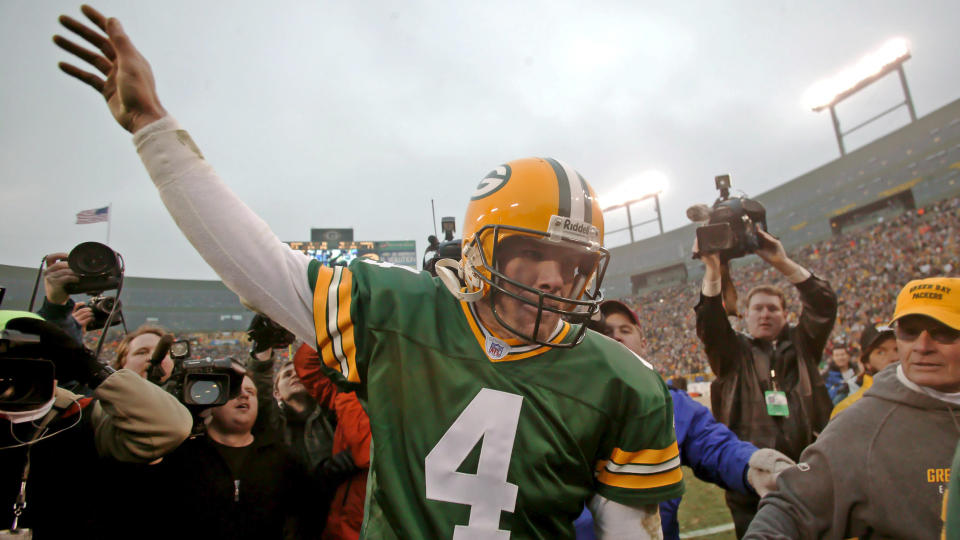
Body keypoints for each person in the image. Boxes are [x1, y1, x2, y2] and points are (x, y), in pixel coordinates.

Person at [55, 7, 683, 537]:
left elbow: (627, 526)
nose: (552, 279)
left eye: (572, 264)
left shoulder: (624, 381)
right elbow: (261, 267)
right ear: (481, 253)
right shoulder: (400, 311)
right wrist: (153, 127)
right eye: (532, 256)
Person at [745, 276, 960, 539]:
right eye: (909, 332)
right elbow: (791, 508)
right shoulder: (862, 424)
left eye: (944, 332)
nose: (922, 347)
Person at [575, 300, 794, 540]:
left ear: (644, 344)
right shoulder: (562, 404)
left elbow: (715, 445)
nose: (616, 337)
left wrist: (755, 465)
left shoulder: (671, 404)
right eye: (606, 332)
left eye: (625, 330)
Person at [0, 310, 192, 537]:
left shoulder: (82, 413)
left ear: (58, 364)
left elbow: (169, 426)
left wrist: (89, 366)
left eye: (35, 362)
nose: (17, 374)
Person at [694, 232, 836, 536]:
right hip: (751, 478)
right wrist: (712, 271)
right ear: (745, 317)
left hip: (810, 471)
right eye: (758, 308)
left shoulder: (804, 344)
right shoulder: (731, 354)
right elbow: (710, 321)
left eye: (773, 308)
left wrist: (782, 263)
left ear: (786, 315)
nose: (765, 314)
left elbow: (823, 305)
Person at [160, 373, 316, 539]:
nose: (244, 395)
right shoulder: (181, 458)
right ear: (213, 399)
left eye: (251, 392)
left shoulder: (284, 459)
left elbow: (306, 517)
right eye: (234, 390)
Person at [294, 343, 372, 540]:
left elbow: (364, 452)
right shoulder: (350, 392)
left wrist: (350, 386)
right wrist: (329, 323)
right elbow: (308, 367)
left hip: (363, 527)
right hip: (340, 522)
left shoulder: (393, 394)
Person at [830, 323, 897, 418]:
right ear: (866, 362)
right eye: (881, 352)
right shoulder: (849, 408)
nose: (894, 358)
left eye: (897, 350)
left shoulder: (920, 394)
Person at [821, 339, 860, 405]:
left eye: (842, 354)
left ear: (848, 355)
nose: (840, 358)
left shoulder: (857, 371)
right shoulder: (827, 376)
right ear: (833, 357)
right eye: (837, 355)